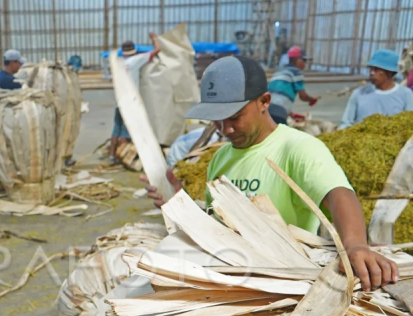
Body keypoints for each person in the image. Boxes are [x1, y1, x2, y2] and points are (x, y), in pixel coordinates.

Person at [143, 56, 398, 291]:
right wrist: (180, 202)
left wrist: (355, 244)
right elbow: (216, 225)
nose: (226, 130)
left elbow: (338, 193)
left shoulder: (297, 147)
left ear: (264, 101)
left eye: (234, 118)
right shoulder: (220, 158)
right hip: (231, 275)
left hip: (280, 280)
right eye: (217, 120)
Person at [110, 34, 161, 162]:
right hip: (130, 102)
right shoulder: (136, 60)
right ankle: (122, 156)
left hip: (119, 101)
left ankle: (112, 155)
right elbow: (157, 50)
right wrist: (154, 38)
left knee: (117, 128)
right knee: (127, 131)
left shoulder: (119, 63)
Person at [340, 49, 413, 129]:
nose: (371, 73)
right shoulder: (359, 94)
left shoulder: (405, 94)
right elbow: (346, 123)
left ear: (390, 72)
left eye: (376, 69)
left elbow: (409, 124)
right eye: (371, 69)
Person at [267, 46, 319, 125]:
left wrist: (290, 113)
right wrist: (311, 99)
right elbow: (303, 96)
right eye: (303, 60)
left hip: (266, 109)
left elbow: (277, 96)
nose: (304, 64)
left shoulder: (279, 71)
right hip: (279, 112)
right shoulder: (296, 72)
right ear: (296, 60)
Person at [0, 49, 25, 125]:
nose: (20, 66)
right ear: (13, 63)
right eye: (19, 63)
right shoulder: (11, 81)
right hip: (2, 119)